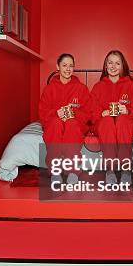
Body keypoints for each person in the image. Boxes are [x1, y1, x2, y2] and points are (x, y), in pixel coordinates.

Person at [90, 50, 133, 186]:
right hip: (104, 123)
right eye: (110, 63)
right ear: (105, 65)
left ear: (122, 66)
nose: (113, 66)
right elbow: (90, 112)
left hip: (126, 122)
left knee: (122, 120)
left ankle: (126, 169)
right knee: (107, 122)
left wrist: (127, 110)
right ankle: (110, 169)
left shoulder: (130, 86)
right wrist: (102, 113)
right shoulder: (98, 87)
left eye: (117, 63)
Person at [39, 53, 90, 184]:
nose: (68, 69)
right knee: (56, 124)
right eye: (64, 65)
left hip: (75, 123)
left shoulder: (81, 88)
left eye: (71, 66)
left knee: (72, 124)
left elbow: (88, 114)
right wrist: (56, 113)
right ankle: (55, 169)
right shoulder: (49, 89)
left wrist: (74, 113)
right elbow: (42, 113)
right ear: (58, 67)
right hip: (54, 122)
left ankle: (73, 170)